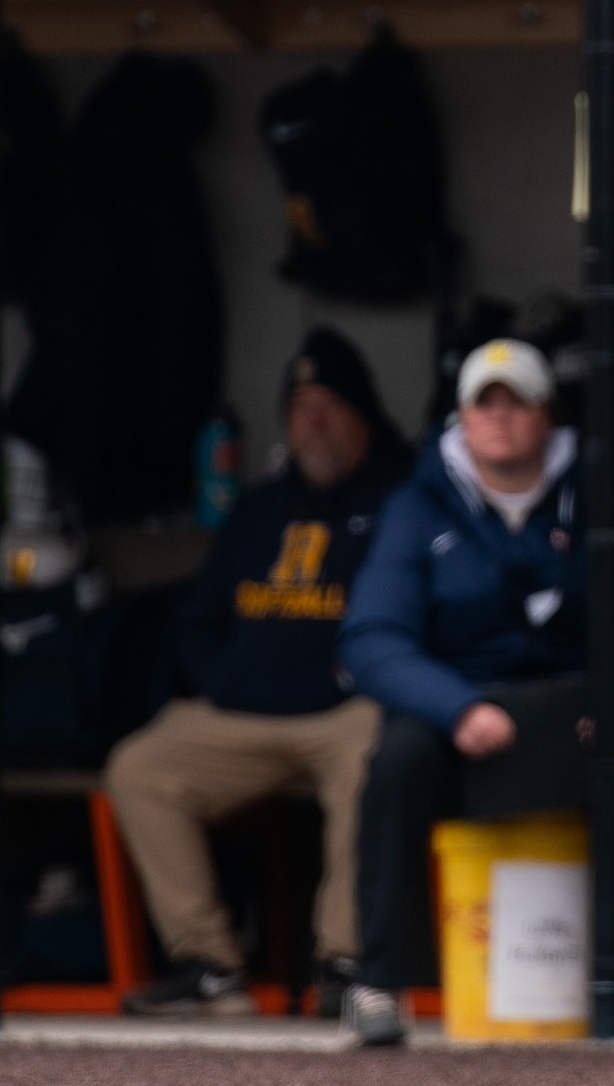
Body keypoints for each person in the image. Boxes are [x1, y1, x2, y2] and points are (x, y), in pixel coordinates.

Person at [337, 338, 614, 1046]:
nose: (500, 418)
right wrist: (455, 707)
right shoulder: (418, 503)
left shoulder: (604, 494)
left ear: (547, 416)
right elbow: (371, 638)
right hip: (467, 709)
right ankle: (378, 985)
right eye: (485, 402)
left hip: (583, 711)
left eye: (518, 402)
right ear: (463, 418)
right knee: (396, 762)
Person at [105, 327, 412, 1016]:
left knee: (375, 755)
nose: (313, 420)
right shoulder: (259, 508)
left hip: (344, 711)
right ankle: (207, 962)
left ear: (364, 412)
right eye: (300, 406)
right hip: (244, 712)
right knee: (138, 764)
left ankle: (344, 962)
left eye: (329, 402)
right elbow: (197, 622)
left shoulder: (401, 497)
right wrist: (223, 681)